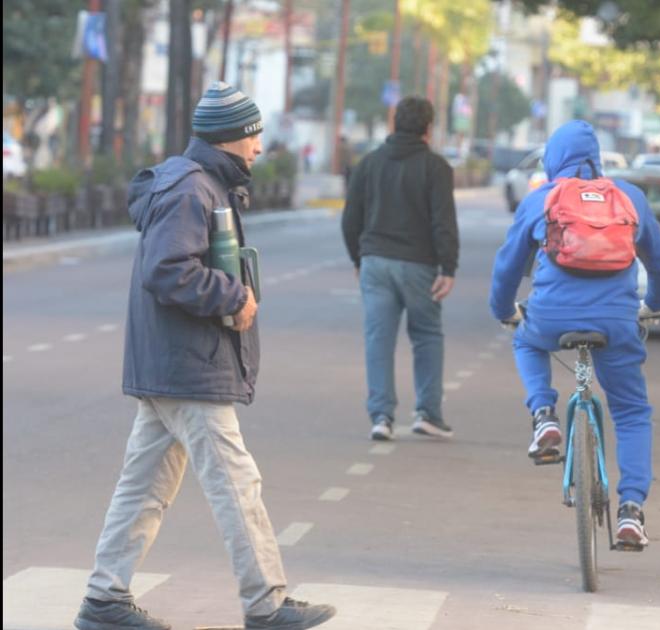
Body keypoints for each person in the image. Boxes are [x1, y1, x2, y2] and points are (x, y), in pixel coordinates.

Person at [74, 82, 335, 630]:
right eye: (253, 135)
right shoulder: (193, 188)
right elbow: (167, 269)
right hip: (189, 365)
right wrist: (234, 296)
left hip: (172, 363)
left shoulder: (202, 182)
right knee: (237, 484)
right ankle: (266, 603)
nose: (259, 147)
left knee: (144, 487)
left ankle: (104, 599)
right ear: (230, 137)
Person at [489, 120, 660, 549]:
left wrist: (504, 311)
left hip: (550, 317)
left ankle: (543, 415)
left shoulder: (541, 199)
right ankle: (631, 511)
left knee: (525, 338)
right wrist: (655, 304)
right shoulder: (629, 198)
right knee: (631, 411)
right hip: (617, 321)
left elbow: (507, 266)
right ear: (596, 159)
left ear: (553, 158)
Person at [342, 96, 459, 441]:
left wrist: (358, 259)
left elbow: (350, 219)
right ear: (428, 128)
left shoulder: (369, 163)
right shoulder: (436, 167)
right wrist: (448, 267)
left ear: (394, 123)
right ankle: (428, 413)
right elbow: (443, 223)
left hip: (375, 262)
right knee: (427, 335)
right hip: (419, 265)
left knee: (378, 339)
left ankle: (381, 417)